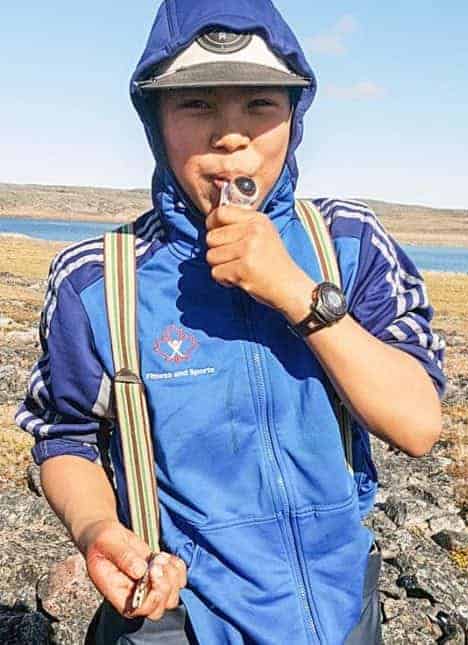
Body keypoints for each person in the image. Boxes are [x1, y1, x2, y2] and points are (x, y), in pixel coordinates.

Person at [15, 0, 446, 642]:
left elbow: (416, 426)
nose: (231, 135)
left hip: (342, 606)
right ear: (154, 122)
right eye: (196, 105)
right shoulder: (96, 279)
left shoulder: (349, 243)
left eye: (260, 105)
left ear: (295, 117)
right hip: (177, 615)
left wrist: (297, 292)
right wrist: (98, 531)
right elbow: (66, 437)